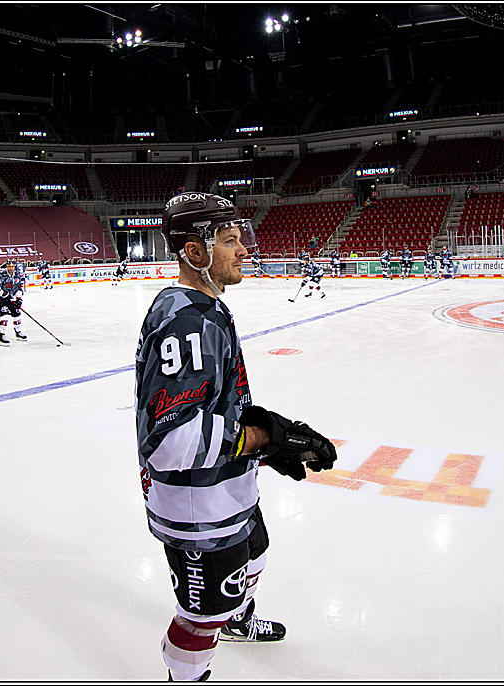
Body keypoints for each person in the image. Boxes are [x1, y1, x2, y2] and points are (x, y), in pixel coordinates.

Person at [135, 192, 336, 682]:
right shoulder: (188, 323)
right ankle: (188, 673)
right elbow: (174, 441)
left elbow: (214, 407)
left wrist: (264, 445)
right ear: (195, 252)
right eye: (229, 240)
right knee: (200, 617)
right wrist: (266, 438)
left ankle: (238, 621)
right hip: (198, 507)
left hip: (227, 487)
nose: (245, 248)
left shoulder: (202, 307)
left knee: (257, 554)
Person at [0, 261, 27, 345]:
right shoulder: (1, 275)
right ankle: (2, 334)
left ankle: (18, 332)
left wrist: (18, 299)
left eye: (12, 266)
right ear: (6, 267)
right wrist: (5, 295)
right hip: (2, 300)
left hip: (12, 299)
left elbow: (19, 287)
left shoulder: (17, 276)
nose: (10, 268)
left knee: (17, 314)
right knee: (5, 315)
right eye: (9, 266)